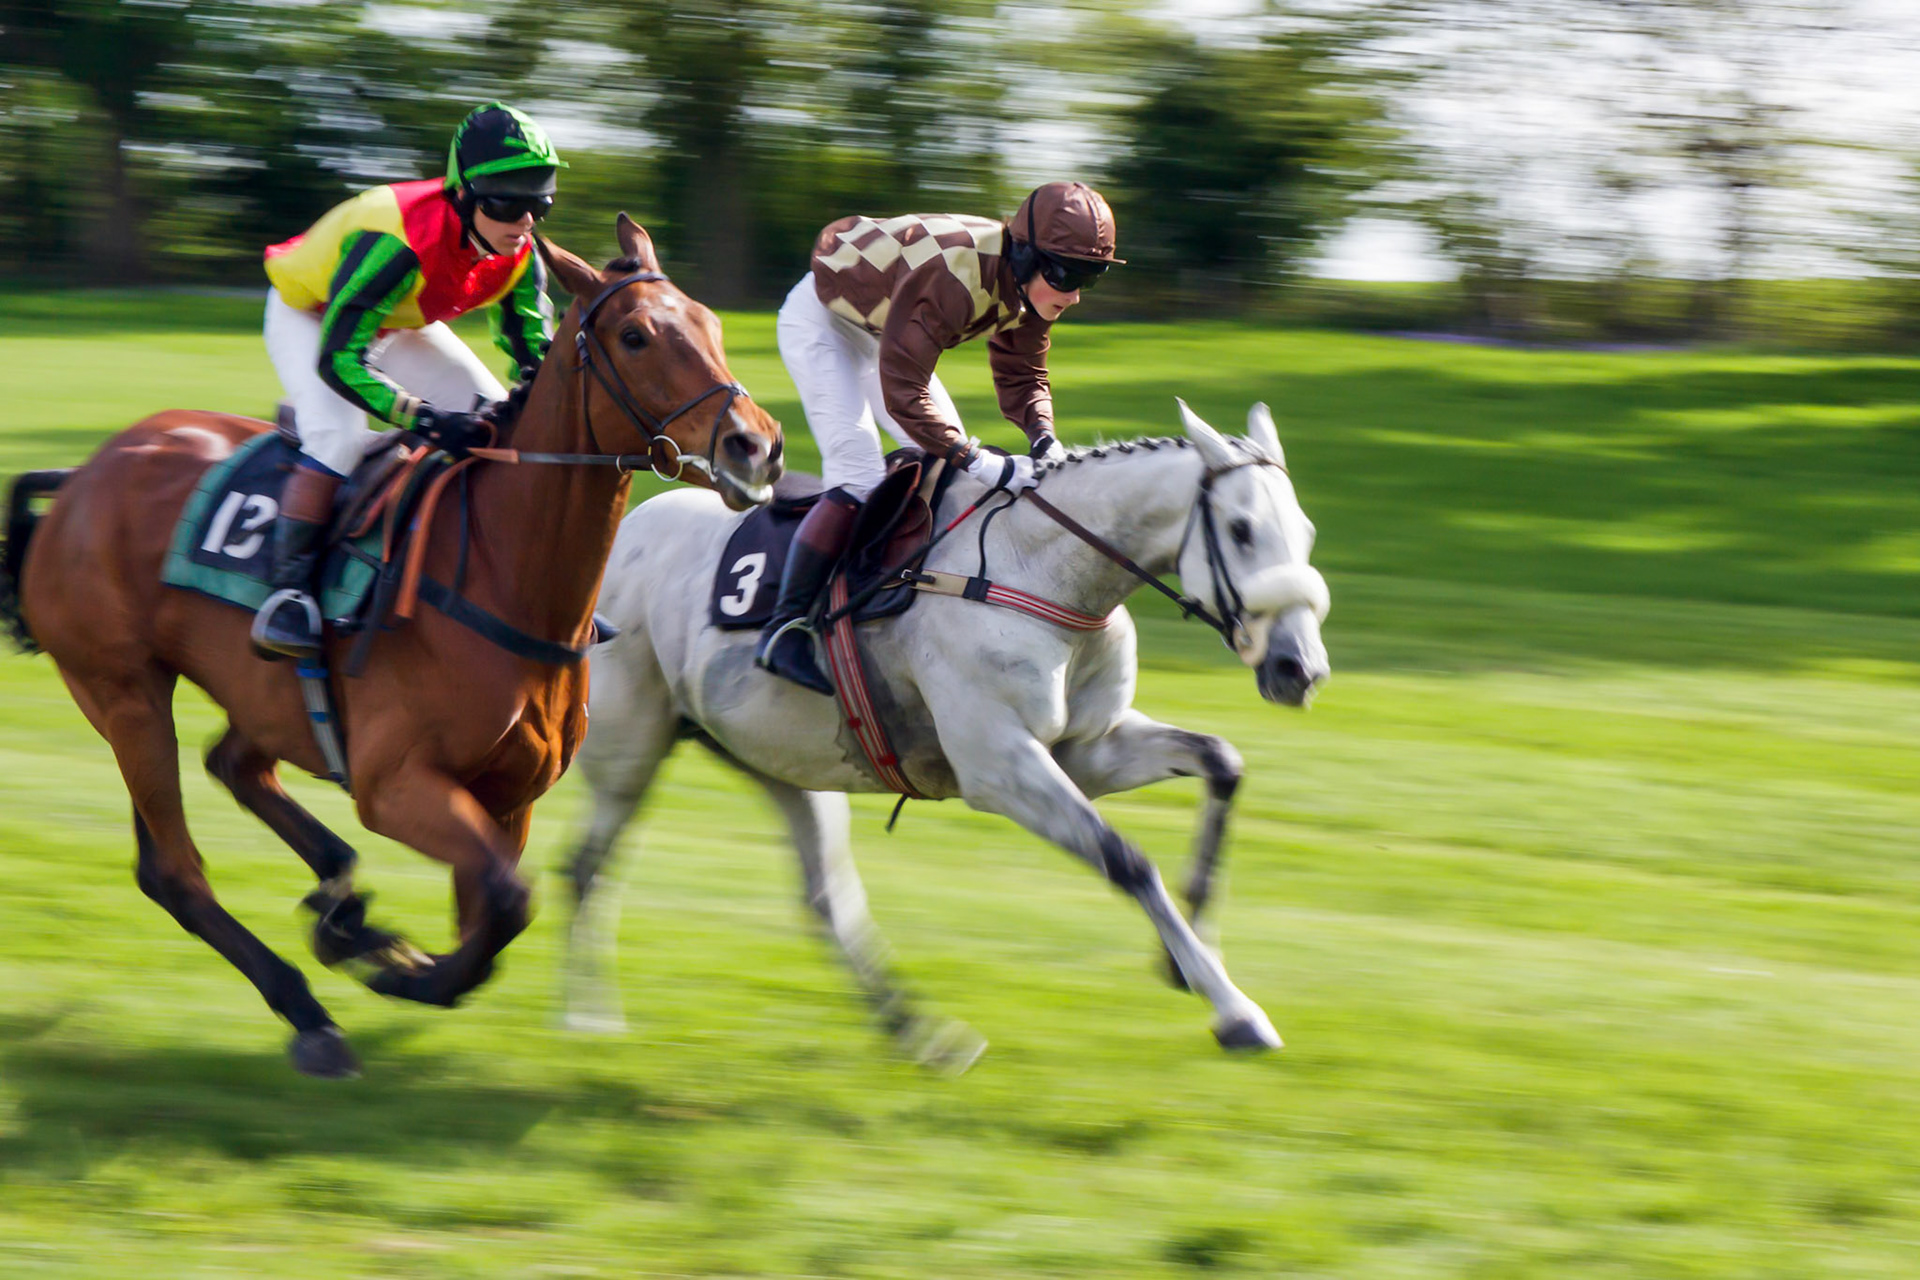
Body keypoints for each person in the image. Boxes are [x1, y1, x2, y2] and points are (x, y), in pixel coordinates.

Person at [756, 181, 1123, 693]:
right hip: (824, 322)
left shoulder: (1025, 286)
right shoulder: (953, 274)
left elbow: (1023, 376)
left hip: (888, 329)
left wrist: (1045, 442)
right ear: (1024, 253)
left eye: (1092, 276)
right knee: (860, 472)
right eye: (1068, 274)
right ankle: (785, 628)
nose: (1076, 292)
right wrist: (980, 459)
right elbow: (905, 394)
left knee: (949, 462)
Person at [250, 102, 565, 659]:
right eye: (508, 203)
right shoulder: (397, 240)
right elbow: (340, 359)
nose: (525, 221)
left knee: (499, 418)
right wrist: (421, 417)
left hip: (398, 318)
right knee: (340, 437)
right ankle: (288, 595)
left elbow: (534, 354)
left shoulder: (519, 254)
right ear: (463, 195)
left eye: (539, 201)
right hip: (314, 317)